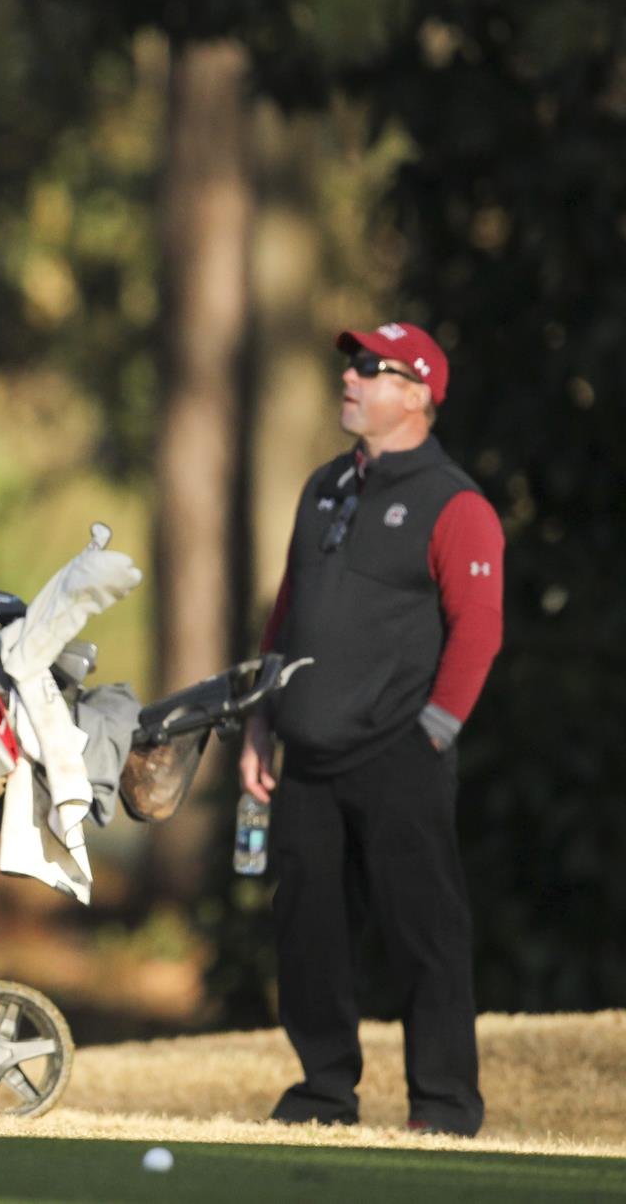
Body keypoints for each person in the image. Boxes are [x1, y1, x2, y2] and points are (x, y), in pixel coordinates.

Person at [237, 321, 504, 1137]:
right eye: (350, 367)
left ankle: (445, 1103)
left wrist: (435, 729)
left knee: (423, 932)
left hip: (399, 752)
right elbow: (287, 613)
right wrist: (258, 721)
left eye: (370, 369)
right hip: (306, 755)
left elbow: (479, 629)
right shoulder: (324, 486)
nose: (348, 380)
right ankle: (324, 1092)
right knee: (308, 929)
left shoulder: (454, 503)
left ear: (417, 394)